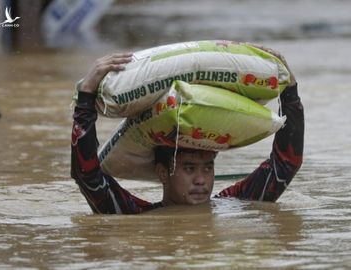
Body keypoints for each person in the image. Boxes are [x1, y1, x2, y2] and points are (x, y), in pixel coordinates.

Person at [71, 47, 304, 214]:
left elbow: (284, 165)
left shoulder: (233, 204)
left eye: (208, 168)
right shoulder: (136, 214)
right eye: (189, 168)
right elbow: (87, 176)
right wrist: (86, 96)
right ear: (162, 173)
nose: (201, 180)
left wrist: (289, 90)